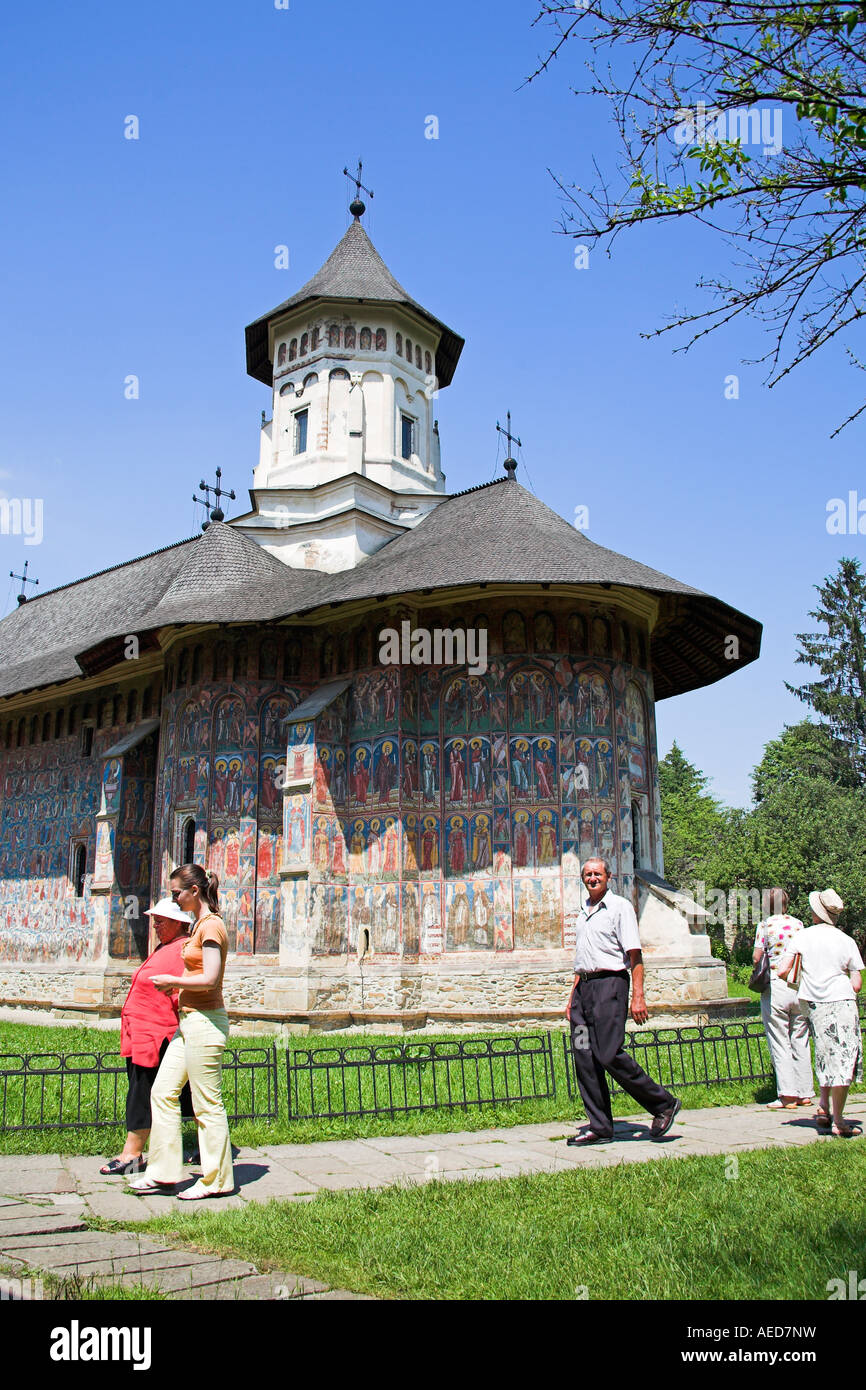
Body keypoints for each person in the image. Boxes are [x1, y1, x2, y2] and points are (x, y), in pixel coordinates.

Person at [129, 864, 235, 1198]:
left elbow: (211, 979)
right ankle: (163, 1173)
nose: (173, 900)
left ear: (194, 890)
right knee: (161, 1092)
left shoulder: (212, 927)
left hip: (206, 1022)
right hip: (189, 1022)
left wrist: (172, 982)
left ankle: (216, 1181)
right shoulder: (199, 926)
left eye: (177, 893)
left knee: (207, 1103)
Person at [565, 857, 681, 1144]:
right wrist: (572, 999)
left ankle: (662, 1103)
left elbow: (634, 954)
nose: (593, 878)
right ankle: (600, 1126)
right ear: (583, 879)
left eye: (598, 874)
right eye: (588, 874)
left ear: (609, 876)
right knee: (584, 1056)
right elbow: (583, 960)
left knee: (608, 1053)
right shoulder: (583, 911)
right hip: (584, 991)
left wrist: (638, 996)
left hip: (610, 986)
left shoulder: (620, 908)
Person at [99, 898, 195, 1175]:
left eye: (160, 921)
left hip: (158, 1035)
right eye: (154, 920)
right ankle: (203, 1144)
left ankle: (133, 1154)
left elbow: (185, 991)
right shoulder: (166, 946)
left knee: (145, 1091)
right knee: (178, 1092)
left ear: (179, 923)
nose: (155, 926)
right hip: (143, 1032)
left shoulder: (184, 949)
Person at [777, 888, 863, 1139]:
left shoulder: (802, 937)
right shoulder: (846, 941)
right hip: (841, 1000)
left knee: (825, 1053)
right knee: (844, 1058)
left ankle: (824, 1106)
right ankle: (839, 1120)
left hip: (812, 1003)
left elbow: (783, 971)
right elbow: (856, 983)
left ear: (816, 912)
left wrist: (805, 981)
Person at [752, 888, 813, 1110]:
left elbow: (757, 956)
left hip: (776, 985)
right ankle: (805, 1092)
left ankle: (787, 1094)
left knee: (779, 1039)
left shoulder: (765, 926)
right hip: (798, 984)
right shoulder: (799, 925)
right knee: (800, 1038)